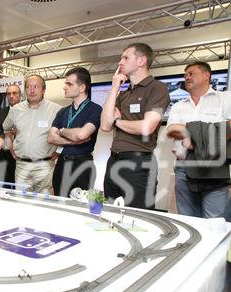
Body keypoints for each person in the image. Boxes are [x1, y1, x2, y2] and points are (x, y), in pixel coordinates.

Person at [100, 42, 170, 210]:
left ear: (141, 61)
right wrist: (115, 86)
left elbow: (147, 127)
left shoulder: (158, 88)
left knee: (139, 218)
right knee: (111, 213)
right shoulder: (123, 94)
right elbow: (104, 125)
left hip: (139, 163)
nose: (120, 62)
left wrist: (118, 121)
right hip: (114, 160)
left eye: (125, 57)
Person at [166, 61, 231, 218]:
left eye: (191, 73)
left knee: (214, 223)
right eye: (185, 75)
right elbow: (172, 129)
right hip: (183, 168)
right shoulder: (178, 105)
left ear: (206, 75)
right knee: (188, 221)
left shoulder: (225, 98)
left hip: (214, 167)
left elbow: (229, 127)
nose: (186, 77)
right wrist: (196, 133)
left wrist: (191, 134)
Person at [48, 67, 102, 197]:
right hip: (61, 164)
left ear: (82, 87)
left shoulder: (95, 109)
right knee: (60, 203)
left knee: (80, 205)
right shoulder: (63, 111)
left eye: (69, 84)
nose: (64, 87)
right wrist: (73, 141)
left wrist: (62, 131)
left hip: (82, 164)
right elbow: (50, 138)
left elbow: (81, 135)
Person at [3, 74, 61, 193]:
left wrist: (60, 151)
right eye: (28, 87)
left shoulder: (56, 109)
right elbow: (6, 130)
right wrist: (11, 149)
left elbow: (65, 132)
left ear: (44, 90)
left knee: (45, 203)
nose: (32, 90)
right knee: (21, 203)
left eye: (36, 87)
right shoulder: (16, 110)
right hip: (22, 166)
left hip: (45, 166)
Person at [0, 84, 22, 186]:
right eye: (9, 94)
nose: (11, 96)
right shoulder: (1, 112)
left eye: (14, 93)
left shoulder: (28, 111)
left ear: (20, 95)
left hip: (22, 156)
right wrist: (5, 133)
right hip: (5, 156)